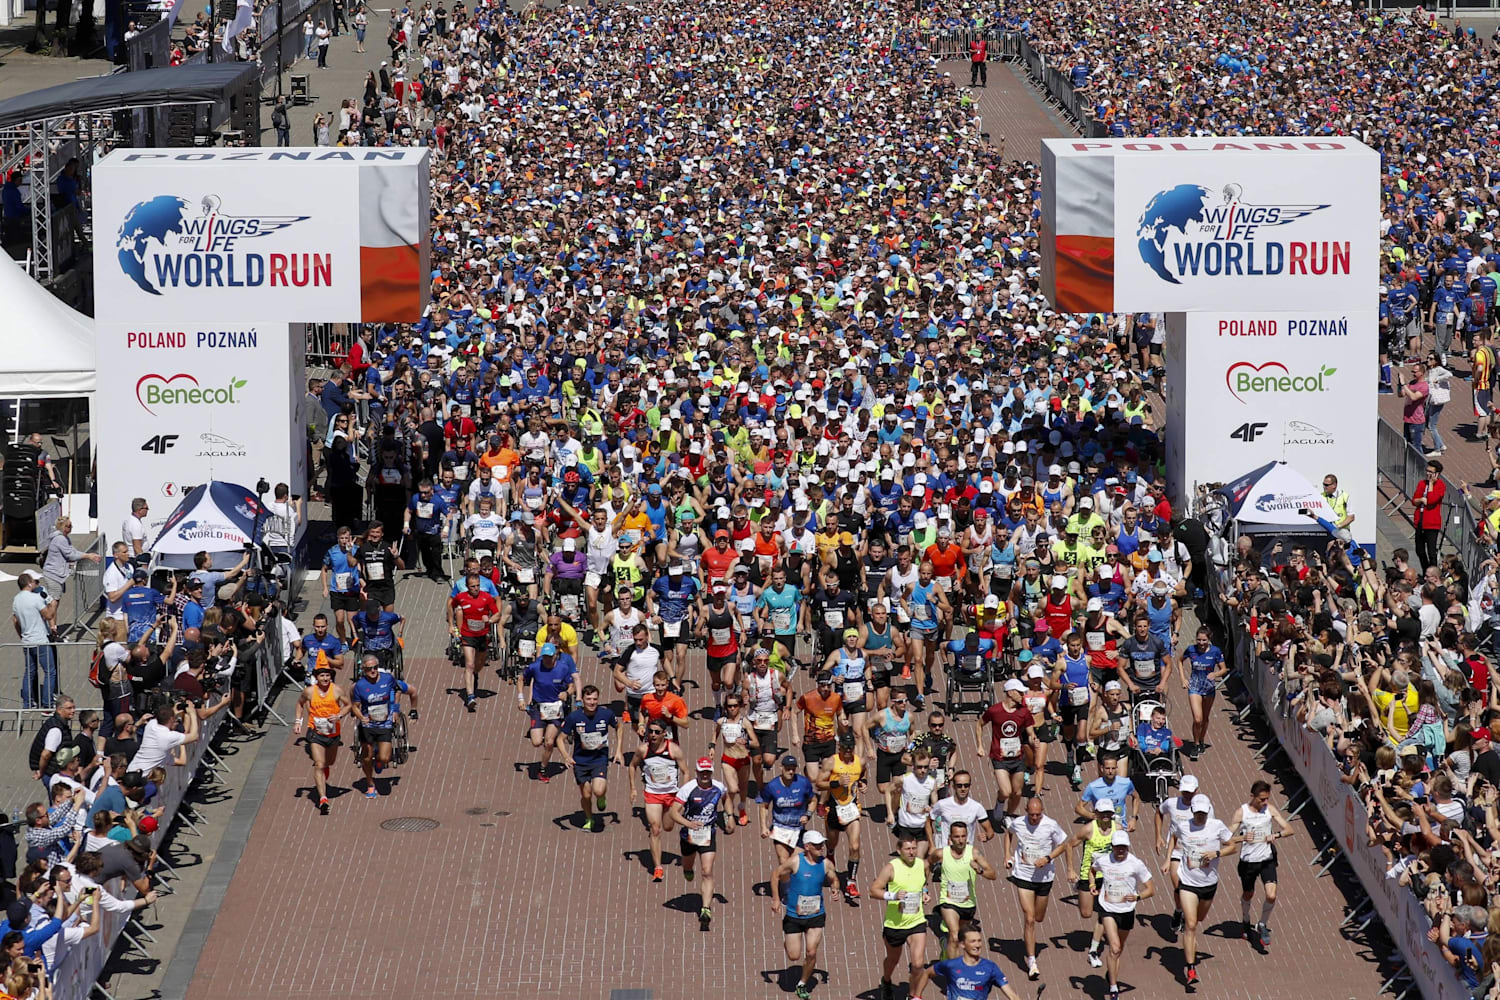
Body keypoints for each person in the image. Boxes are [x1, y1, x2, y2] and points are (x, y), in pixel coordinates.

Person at [1168, 794, 1236, 987]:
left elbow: (1232, 846)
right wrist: (1169, 858)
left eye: (1203, 814)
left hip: (1209, 884)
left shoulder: (1217, 826)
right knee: (1190, 925)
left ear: (1208, 811)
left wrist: (1217, 853)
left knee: (1199, 920)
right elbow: (1173, 838)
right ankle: (1190, 969)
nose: (1200, 817)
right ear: (1192, 812)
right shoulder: (1183, 826)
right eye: (1197, 813)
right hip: (1188, 883)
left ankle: (1189, 934)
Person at [1002, 797, 1068, 980]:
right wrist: (1008, 854)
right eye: (1031, 815)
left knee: (1038, 917)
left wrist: (1047, 858)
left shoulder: (1050, 825)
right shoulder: (1018, 823)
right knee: (1029, 918)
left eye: (1038, 815)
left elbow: (1063, 844)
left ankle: (1031, 947)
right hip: (1023, 875)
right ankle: (1031, 961)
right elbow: (1008, 833)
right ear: (1026, 811)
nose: (1034, 818)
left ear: (1043, 811)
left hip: (1044, 877)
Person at [1226, 780, 1294, 949]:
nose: (1265, 803)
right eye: (1261, 799)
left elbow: (1289, 829)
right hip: (1248, 862)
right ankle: (1246, 919)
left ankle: (1262, 924)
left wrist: (1276, 835)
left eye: (1266, 799)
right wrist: (1242, 838)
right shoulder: (1241, 813)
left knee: (1271, 895)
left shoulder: (1269, 810)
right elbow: (1225, 838)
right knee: (1248, 894)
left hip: (1267, 860)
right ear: (1252, 796)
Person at [1090, 830, 1156, 1000]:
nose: (1121, 851)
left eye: (1124, 847)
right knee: (1115, 947)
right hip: (1107, 908)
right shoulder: (1103, 860)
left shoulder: (1136, 864)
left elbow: (1151, 889)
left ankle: (1110, 972)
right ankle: (1113, 989)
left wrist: (1138, 896)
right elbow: (1092, 869)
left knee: (1119, 949)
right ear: (1112, 847)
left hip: (1127, 910)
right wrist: (1092, 884)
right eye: (1118, 847)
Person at [771, 829, 837, 1000]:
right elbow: (775, 875)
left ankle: (802, 984)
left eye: (822, 844)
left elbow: (834, 878)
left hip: (816, 915)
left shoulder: (826, 864)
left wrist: (835, 888)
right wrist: (776, 900)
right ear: (807, 847)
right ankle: (788, 941)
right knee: (794, 956)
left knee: (812, 952)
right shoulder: (795, 862)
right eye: (817, 845)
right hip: (794, 915)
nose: (821, 848)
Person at [670, 757, 731, 929]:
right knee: (688, 865)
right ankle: (687, 869)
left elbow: (727, 798)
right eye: (702, 772)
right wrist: (688, 824)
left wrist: (729, 816)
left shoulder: (719, 786)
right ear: (696, 772)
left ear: (711, 772)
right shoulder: (687, 789)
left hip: (708, 834)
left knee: (707, 871)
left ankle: (705, 908)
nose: (705, 775)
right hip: (688, 835)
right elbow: (673, 812)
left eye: (708, 772)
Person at [873, 828, 931, 1000]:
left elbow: (924, 881)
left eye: (914, 848)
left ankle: (913, 995)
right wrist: (892, 896)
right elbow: (873, 890)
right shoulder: (891, 868)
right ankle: (886, 980)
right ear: (899, 850)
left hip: (916, 921)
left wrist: (925, 892)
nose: (912, 852)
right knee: (893, 960)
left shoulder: (923, 864)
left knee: (918, 964)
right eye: (908, 849)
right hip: (895, 923)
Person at [349, 652, 416, 799]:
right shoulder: (360, 686)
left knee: (385, 758)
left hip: (385, 723)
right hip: (368, 726)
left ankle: (378, 762)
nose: (372, 671)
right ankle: (370, 784)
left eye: (375, 667)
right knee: (367, 757)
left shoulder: (388, 678)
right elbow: (354, 706)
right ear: (363, 671)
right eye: (369, 669)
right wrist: (361, 717)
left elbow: (398, 689)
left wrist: (396, 709)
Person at [931, 818, 998, 964]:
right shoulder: (941, 854)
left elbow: (993, 874)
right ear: (950, 838)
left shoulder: (974, 853)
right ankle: (954, 974)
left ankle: (945, 947)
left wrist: (979, 870)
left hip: (967, 903)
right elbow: (926, 864)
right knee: (954, 935)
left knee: (959, 938)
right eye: (956, 836)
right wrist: (923, 887)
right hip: (948, 901)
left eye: (963, 836)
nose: (960, 840)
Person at [558, 685, 623, 833]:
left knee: (598, 791)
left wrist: (619, 750)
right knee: (586, 795)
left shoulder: (606, 714)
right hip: (580, 761)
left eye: (595, 699)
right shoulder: (574, 717)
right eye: (588, 699)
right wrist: (566, 756)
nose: (592, 702)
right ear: (583, 700)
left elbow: (619, 727)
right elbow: (560, 739)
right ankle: (589, 818)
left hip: (599, 759)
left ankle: (601, 797)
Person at [627, 720, 686, 882]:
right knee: (655, 829)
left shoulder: (673, 750)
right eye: (650, 731)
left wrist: (684, 792)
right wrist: (633, 788)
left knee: (668, 826)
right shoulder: (643, 750)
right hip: (652, 794)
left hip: (671, 794)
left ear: (664, 734)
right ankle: (658, 867)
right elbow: (632, 766)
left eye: (656, 732)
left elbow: (685, 771)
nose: (653, 735)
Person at [976, 679, 1038, 823]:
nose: (1023, 695)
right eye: (1020, 692)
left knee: (1017, 792)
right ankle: (1000, 802)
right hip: (1000, 757)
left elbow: (1030, 733)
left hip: (1018, 757)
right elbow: (979, 724)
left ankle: (1009, 815)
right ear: (1010, 692)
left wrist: (1033, 739)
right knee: (1006, 791)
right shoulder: (995, 710)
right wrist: (980, 746)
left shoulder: (1024, 712)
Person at [517, 642, 578, 782]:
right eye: (544, 657)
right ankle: (540, 731)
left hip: (555, 709)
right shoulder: (535, 667)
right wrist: (521, 698)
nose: (547, 660)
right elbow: (521, 678)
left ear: (555, 656)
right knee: (536, 742)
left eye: (549, 657)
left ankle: (543, 769)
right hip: (539, 708)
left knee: (549, 742)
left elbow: (571, 686)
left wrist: (567, 693)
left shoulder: (563, 668)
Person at [814, 732, 864, 902]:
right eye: (845, 747)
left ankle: (851, 882)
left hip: (852, 809)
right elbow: (819, 783)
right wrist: (835, 783)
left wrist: (863, 785)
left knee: (855, 846)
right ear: (839, 747)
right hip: (834, 809)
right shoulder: (831, 762)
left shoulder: (860, 762)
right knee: (832, 842)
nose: (848, 750)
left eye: (851, 747)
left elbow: (862, 777)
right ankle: (829, 853)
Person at [294, 664, 349, 815]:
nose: (325, 678)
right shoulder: (309, 692)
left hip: (332, 733)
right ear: (316, 677)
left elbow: (348, 705)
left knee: (329, 762)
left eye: (327, 675)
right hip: (315, 732)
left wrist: (339, 715)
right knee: (319, 764)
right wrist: (298, 722)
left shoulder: (337, 690)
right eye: (321, 676)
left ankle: (324, 772)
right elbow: (299, 703)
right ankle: (323, 798)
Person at [448, 572, 500, 711]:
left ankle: (475, 673)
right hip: (467, 635)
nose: (476, 589)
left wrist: (489, 620)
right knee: (469, 664)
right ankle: (470, 697)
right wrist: (451, 626)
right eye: (472, 587)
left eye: (477, 586)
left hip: (482, 636)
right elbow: (450, 606)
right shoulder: (461, 597)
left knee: (480, 663)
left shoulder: (487, 598)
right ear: (467, 587)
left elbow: (497, 614)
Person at [931, 927, 1021, 1000]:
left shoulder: (990, 967)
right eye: (973, 941)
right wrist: (917, 996)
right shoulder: (951, 965)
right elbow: (926, 973)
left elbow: (1012, 995)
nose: (978, 945)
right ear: (962, 944)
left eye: (979, 941)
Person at [759, 754, 817, 865]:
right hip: (780, 827)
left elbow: (813, 800)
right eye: (788, 769)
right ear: (781, 768)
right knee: (783, 860)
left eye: (793, 769)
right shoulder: (772, 786)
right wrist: (764, 827)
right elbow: (764, 806)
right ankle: (785, 882)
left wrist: (808, 815)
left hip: (797, 828)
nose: (790, 772)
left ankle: (793, 881)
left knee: (796, 862)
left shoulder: (803, 783)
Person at [1177, 628, 1225, 759]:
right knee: (1197, 719)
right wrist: (1183, 678)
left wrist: (1215, 674)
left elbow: (1224, 669)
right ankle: (1195, 744)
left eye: (1204, 640)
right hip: (1195, 687)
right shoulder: (1191, 650)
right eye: (1199, 639)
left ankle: (1202, 739)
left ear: (1209, 639)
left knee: (1205, 718)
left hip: (1209, 688)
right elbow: (1180, 661)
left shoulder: (1216, 651)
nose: (1201, 643)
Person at [12, 573, 57, 711]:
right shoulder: (35, 598)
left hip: (27, 641)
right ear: (29, 583)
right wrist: (53, 604)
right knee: (50, 672)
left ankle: (28, 703)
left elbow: (15, 621)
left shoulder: (16, 600)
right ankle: (47, 704)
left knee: (29, 672)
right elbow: (49, 615)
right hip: (40, 640)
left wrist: (21, 635)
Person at [1413, 459, 1446, 571]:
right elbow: (1414, 500)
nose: (1428, 474)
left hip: (1432, 523)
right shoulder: (1422, 484)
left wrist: (1431, 484)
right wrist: (1422, 499)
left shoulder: (1440, 485)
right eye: (1427, 471)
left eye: (1431, 472)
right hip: (1420, 521)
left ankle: (1433, 571)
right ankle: (1426, 570)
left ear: (1437, 474)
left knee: (1431, 552)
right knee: (1420, 550)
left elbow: (1431, 500)